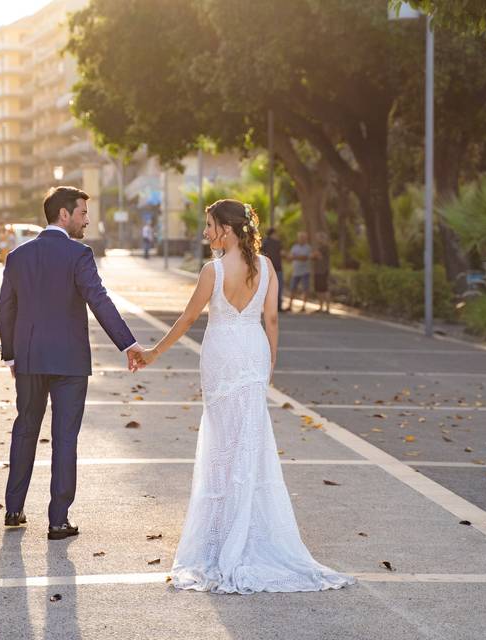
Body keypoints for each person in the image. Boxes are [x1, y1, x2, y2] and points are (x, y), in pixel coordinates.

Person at [136, 199, 356, 594]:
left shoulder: (213, 270)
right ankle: (246, 532)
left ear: (227, 228)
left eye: (209, 226)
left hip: (221, 355)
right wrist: (269, 363)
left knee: (222, 445)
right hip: (252, 354)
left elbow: (188, 320)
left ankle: (223, 538)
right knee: (249, 444)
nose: (205, 233)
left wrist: (153, 353)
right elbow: (271, 319)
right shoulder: (267, 266)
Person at [0, 186, 145, 540]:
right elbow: (99, 299)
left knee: (25, 429)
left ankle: (14, 509)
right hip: (70, 362)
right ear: (64, 215)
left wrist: (11, 354)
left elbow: (6, 308)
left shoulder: (18, 257)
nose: (87, 220)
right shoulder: (79, 254)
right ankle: (58, 520)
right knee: (65, 438)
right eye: (82, 213)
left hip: (30, 358)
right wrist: (128, 343)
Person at [285, 231, 312, 312]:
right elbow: (289, 257)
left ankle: (303, 306)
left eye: (303, 237)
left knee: (305, 289)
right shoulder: (294, 247)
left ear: (305, 239)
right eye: (300, 237)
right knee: (292, 288)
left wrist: (294, 257)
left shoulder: (308, 247)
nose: (301, 239)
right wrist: (292, 257)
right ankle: (290, 305)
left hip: (305, 272)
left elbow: (304, 258)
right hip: (296, 272)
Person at [260, 226, 284, 312]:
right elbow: (282, 253)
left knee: (266, 288)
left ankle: (268, 306)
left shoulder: (264, 242)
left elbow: (260, 252)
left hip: (267, 268)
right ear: (273, 233)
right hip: (277, 268)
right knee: (278, 287)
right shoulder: (277, 243)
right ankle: (278, 306)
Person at [312, 230, 331, 313]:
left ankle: (327, 308)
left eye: (318, 238)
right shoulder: (319, 247)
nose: (317, 239)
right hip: (318, 270)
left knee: (324, 289)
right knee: (319, 289)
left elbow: (315, 255)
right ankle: (321, 307)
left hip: (323, 270)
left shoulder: (324, 247)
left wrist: (314, 255)